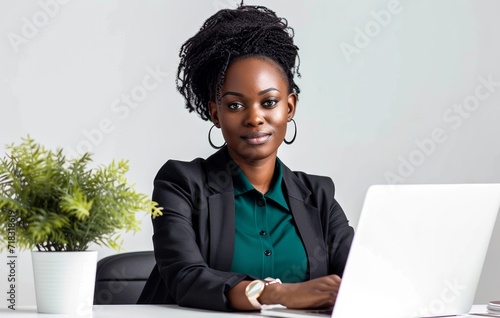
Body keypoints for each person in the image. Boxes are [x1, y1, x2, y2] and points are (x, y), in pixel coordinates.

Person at [138, 3, 354, 312]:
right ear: (216, 113)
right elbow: (186, 278)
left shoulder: (319, 197)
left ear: (289, 107)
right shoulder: (181, 185)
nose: (255, 118)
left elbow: (362, 275)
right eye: (235, 105)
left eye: (269, 102)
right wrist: (275, 293)